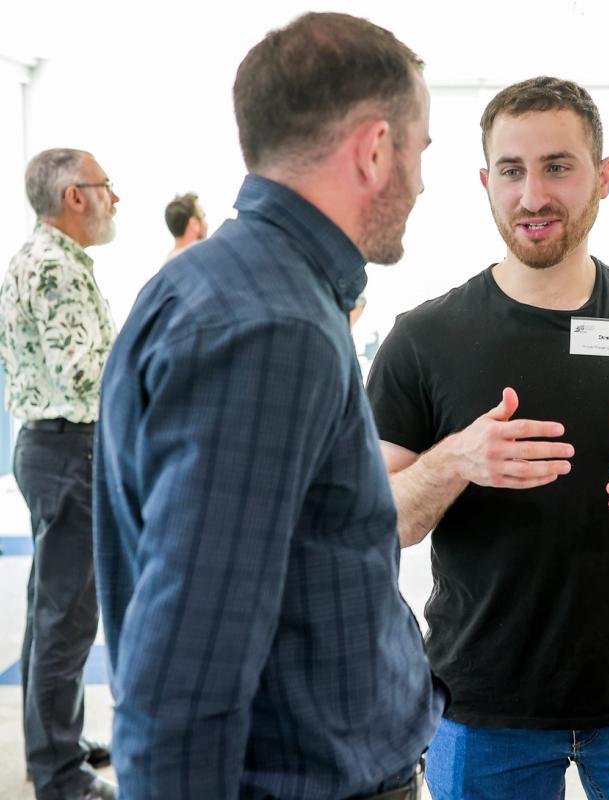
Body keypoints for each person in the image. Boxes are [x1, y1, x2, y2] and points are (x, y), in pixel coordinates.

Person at [366, 76, 609, 799]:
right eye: (511, 172)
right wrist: (454, 461)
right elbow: (372, 521)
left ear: (603, 177)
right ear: (485, 182)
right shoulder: (424, 339)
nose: (533, 196)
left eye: (558, 167)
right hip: (481, 709)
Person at [92, 13, 443, 799]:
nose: (422, 180)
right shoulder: (271, 330)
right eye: (421, 152)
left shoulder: (222, 285)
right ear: (376, 149)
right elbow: (184, 680)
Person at [0, 147, 118, 800]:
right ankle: (57, 774)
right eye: (106, 187)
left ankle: (55, 744)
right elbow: (86, 372)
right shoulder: (55, 267)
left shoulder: (40, 258)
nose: (114, 199)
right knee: (67, 617)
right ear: (75, 196)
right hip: (71, 449)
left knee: (52, 612)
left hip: (51, 446)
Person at [163, 191, 207, 260]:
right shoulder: (203, 258)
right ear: (194, 224)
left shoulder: (168, 265)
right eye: (203, 217)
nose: (206, 224)